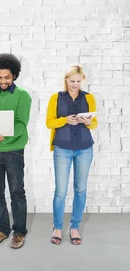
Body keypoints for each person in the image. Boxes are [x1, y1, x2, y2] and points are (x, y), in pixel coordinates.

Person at [46, 65, 98, 245]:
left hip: (84, 148)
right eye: (71, 81)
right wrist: (65, 120)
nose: (74, 84)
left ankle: (75, 227)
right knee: (60, 191)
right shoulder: (56, 98)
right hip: (62, 148)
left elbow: (94, 124)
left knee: (80, 189)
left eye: (78, 81)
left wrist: (88, 122)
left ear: (82, 79)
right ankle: (58, 227)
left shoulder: (89, 98)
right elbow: (49, 122)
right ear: (66, 80)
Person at [0, 53, 32, 249]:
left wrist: (6, 137)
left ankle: (19, 231)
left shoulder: (23, 95)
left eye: (7, 77)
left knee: (16, 193)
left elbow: (21, 124)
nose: (3, 81)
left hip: (13, 151)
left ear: (14, 76)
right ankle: (3, 229)